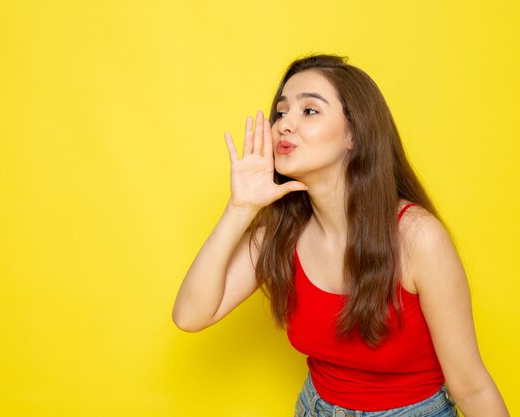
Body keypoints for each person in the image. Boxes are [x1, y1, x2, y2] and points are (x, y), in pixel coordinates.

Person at [172, 54, 509, 416]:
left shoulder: (417, 238)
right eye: (281, 113)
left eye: (310, 111)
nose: (284, 125)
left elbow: (472, 388)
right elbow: (190, 316)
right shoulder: (281, 232)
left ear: (353, 134)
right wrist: (240, 210)